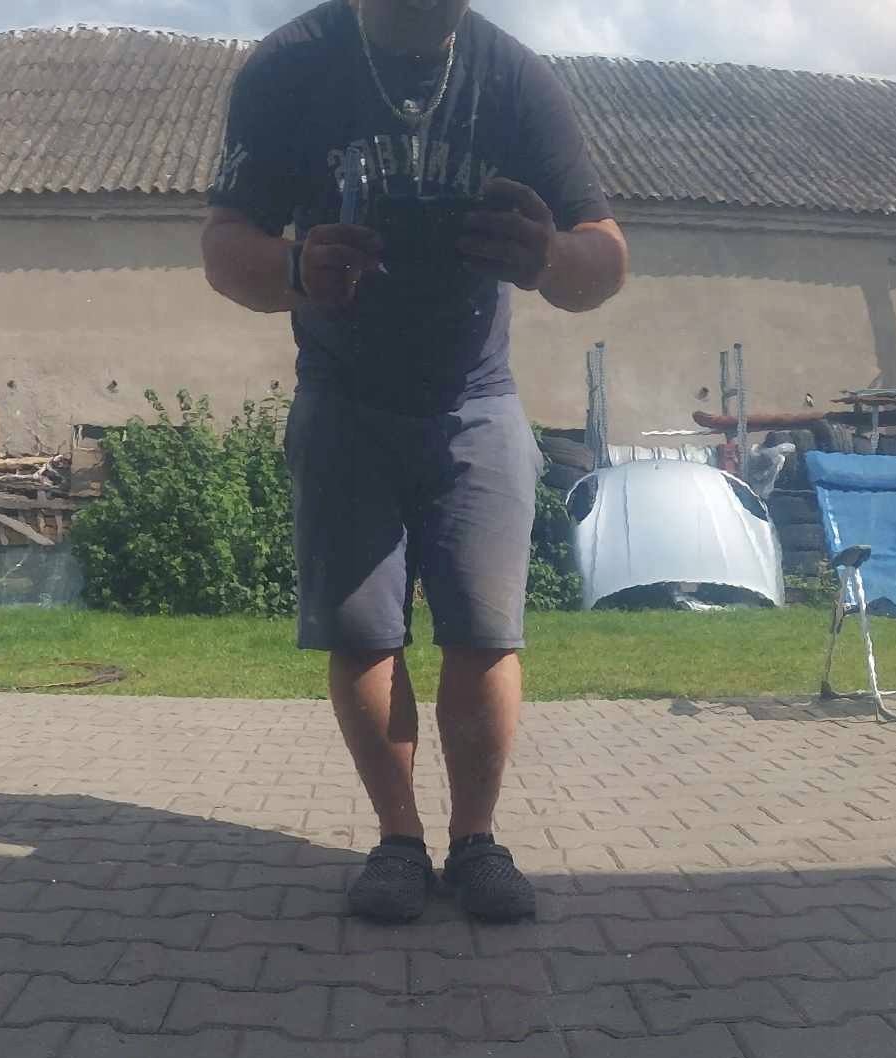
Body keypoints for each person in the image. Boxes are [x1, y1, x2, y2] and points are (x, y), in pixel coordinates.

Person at [202, 0, 627, 925]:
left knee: (484, 631)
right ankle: (398, 842)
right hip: (343, 396)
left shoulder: (514, 80)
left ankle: (476, 843)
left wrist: (550, 255)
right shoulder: (289, 69)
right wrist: (294, 268)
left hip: (477, 397)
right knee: (363, 632)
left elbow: (606, 258)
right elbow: (225, 246)